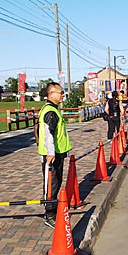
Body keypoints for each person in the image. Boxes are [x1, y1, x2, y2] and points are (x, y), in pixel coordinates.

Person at [38, 82, 72, 228]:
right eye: (60, 93)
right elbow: (48, 134)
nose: (62, 95)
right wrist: (50, 152)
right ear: (51, 94)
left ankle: (53, 207)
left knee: (57, 181)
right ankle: (49, 214)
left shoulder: (53, 110)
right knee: (52, 183)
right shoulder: (50, 112)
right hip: (52, 155)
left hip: (58, 152)